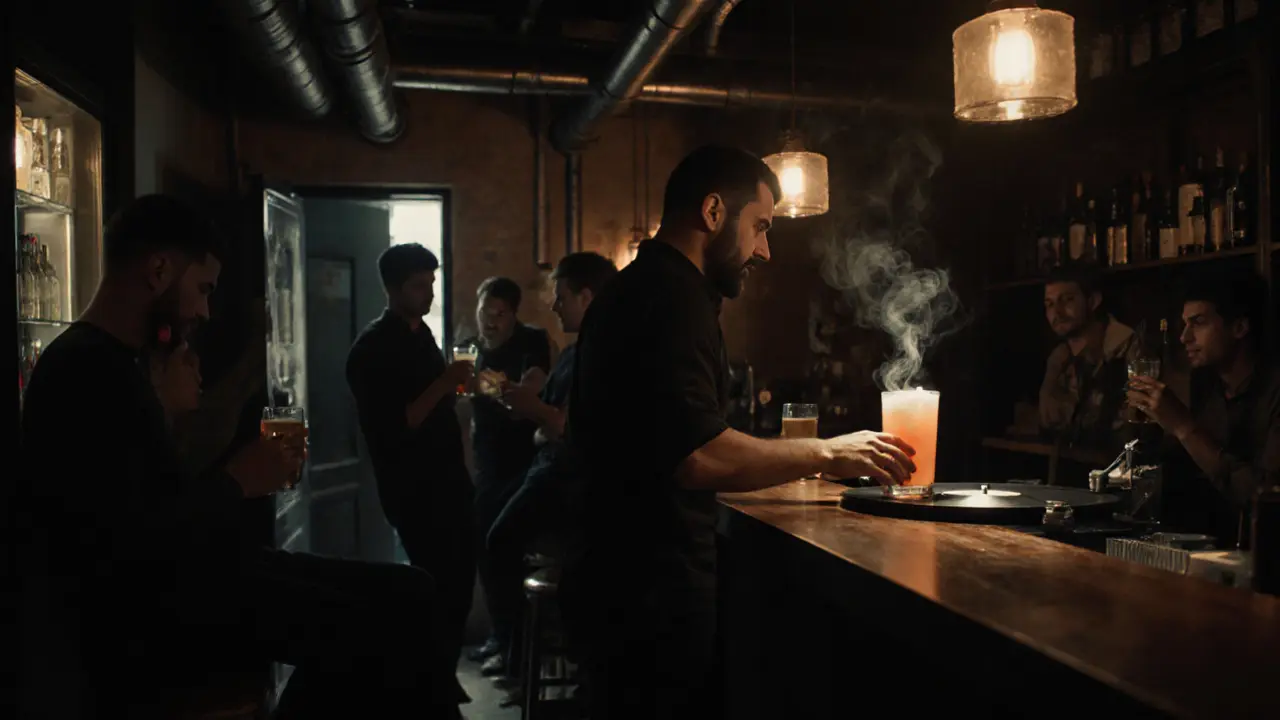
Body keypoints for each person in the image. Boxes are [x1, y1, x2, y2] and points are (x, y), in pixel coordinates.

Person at [19, 195, 456, 718]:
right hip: (155, 611)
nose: (204, 311)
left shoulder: (123, 363)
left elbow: (154, 493)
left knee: (413, 589)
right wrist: (237, 479)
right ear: (158, 270)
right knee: (388, 623)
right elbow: (127, 545)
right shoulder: (86, 370)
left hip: (204, 571)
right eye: (203, 289)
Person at [563, 145, 916, 719]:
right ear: (712, 212)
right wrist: (826, 452)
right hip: (644, 598)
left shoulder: (651, 288)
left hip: (621, 584)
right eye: (760, 227)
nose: (765, 250)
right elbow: (698, 455)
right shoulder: (668, 297)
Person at [345, 243, 476, 706]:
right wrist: (443, 383)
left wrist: (461, 389)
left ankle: (441, 673)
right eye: (420, 286)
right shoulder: (371, 350)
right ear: (392, 288)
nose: (430, 294)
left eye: (431, 284)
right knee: (435, 582)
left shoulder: (422, 335)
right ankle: (427, 683)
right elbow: (397, 426)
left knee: (460, 577)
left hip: (449, 477)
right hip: (414, 487)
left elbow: (440, 404)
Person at [488, 251, 618, 698]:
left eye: (561, 296)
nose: (554, 305)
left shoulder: (605, 354)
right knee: (489, 521)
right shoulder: (574, 352)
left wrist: (538, 413)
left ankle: (525, 662)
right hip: (546, 472)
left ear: (587, 296)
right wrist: (528, 403)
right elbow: (550, 420)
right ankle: (521, 658)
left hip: (566, 486)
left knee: (498, 543)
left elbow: (570, 428)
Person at [1127, 272, 1278, 545]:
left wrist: (1183, 426)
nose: (1184, 337)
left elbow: (1263, 497)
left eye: (1198, 323)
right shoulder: (1210, 388)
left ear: (1239, 327)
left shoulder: (1273, 391)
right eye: (1184, 324)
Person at [464, 276, 552, 672]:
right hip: (487, 464)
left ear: (514, 315)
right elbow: (462, 395)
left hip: (526, 464)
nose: (491, 320)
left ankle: (518, 647)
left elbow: (528, 394)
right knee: (486, 552)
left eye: (500, 313)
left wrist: (486, 385)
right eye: (486, 311)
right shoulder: (469, 349)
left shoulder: (531, 340)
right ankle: (502, 639)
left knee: (508, 550)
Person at [1039, 265, 1139, 457]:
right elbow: (1049, 420)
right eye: (1049, 304)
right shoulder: (1058, 358)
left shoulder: (1127, 347)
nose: (1057, 312)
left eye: (1067, 300)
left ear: (1093, 301)